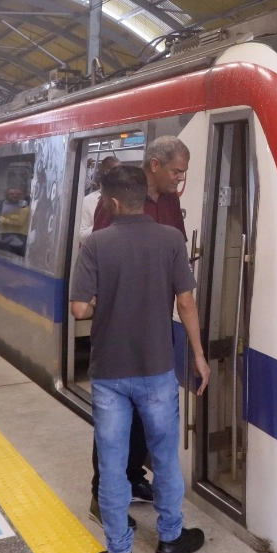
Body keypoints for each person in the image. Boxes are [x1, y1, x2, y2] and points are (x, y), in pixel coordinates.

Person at [72, 165, 210, 553]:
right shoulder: (170, 239)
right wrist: (199, 358)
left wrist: (102, 302)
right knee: (165, 457)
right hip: (156, 371)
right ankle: (170, 540)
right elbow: (185, 304)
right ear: (140, 198)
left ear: (112, 202)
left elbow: (79, 310)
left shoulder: (95, 244)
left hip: (110, 373)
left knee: (112, 465)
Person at [86, 139, 190, 521]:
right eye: (176, 171)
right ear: (154, 165)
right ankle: (102, 495)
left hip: (156, 323)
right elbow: (98, 261)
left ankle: (131, 477)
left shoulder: (169, 202)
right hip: (119, 326)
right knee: (115, 421)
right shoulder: (113, 204)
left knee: (148, 415)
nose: (180, 179)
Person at [78, 156, 120, 244]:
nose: (117, 176)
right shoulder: (88, 201)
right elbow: (82, 236)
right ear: (103, 172)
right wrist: (103, 224)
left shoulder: (126, 200)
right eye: (112, 172)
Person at [0, 186, 30, 255]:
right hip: (2, 236)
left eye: (18, 194)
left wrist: (4, 219)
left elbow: (21, 221)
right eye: (12, 194)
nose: (15, 196)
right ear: (6, 195)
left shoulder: (26, 207)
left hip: (20, 236)